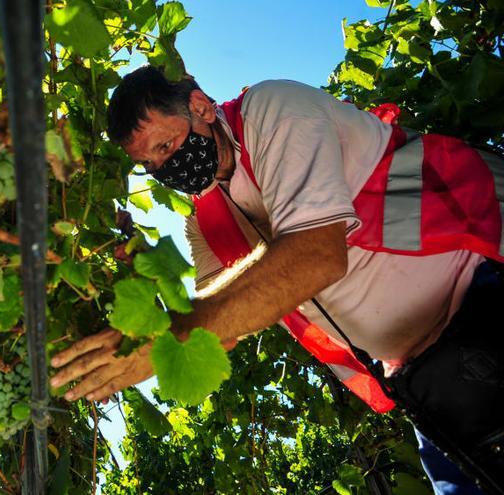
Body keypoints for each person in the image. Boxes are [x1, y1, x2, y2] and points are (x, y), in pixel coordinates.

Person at [50, 65, 504, 494]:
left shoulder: (272, 110)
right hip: (421, 375)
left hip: (484, 295)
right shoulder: (203, 220)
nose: (166, 170)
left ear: (201, 108)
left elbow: (316, 256)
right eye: (150, 164)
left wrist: (180, 331)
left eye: (166, 147)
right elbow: (220, 327)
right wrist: (146, 327)